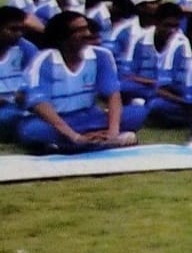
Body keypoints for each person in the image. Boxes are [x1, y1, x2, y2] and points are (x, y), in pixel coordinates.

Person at [17, 10, 148, 151]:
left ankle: (73, 144)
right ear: (62, 37)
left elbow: (113, 95)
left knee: (137, 112)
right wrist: (75, 137)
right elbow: (40, 105)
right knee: (33, 130)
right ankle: (82, 141)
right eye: (79, 31)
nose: (87, 34)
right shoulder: (44, 60)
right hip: (54, 120)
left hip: (88, 116)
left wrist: (113, 132)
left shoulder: (101, 55)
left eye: (86, 29)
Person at [0, 6, 39, 140]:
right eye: (13, 29)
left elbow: (38, 79)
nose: (19, 34)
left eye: (22, 29)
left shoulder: (26, 48)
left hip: (21, 104)